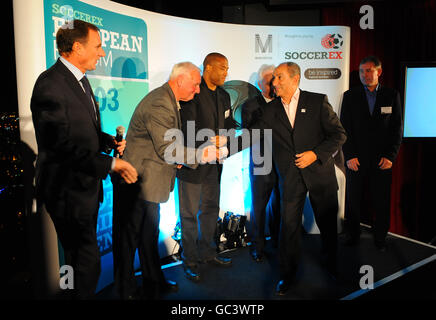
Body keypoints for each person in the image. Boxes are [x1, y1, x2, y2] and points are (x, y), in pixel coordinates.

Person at [30, 19, 138, 299]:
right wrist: (112, 163)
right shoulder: (50, 84)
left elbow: (82, 129)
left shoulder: (80, 79)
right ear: (77, 47)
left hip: (83, 190)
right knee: (85, 263)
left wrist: (107, 141)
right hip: (67, 193)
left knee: (77, 264)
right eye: (98, 46)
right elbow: (59, 146)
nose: (102, 53)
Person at [113, 62, 220, 299]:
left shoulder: (169, 100)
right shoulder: (161, 102)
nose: (198, 90)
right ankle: (125, 291)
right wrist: (200, 154)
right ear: (180, 80)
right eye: (195, 84)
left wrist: (176, 160)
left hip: (147, 182)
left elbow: (160, 146)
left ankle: (154, 283)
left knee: (147, 237)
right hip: (136, 182)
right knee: (128, 241)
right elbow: (167, 148)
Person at [255, 62, 346, 295]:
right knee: (289, 230)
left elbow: (338, 134)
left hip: (319, 175)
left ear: (295, 79)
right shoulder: (269, 110)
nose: (274, 82)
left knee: (327, 226)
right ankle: (287, 275)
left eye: (279, 77)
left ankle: (333, 265)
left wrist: (315, 154)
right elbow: (252, 135)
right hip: (290, 179)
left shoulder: (317, 101)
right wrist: (224, 147)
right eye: (273, 77)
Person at [176, 52, 237, 282]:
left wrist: (227, 137)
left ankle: (208, 253)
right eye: (222, 67)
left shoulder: (224, 95)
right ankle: (189, 261)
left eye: (227, 68)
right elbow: (185, 128)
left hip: (214, 165)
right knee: (189, 215)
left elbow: (231, 125)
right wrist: (212, 139)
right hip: (191, 165)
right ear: (208, 68)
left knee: (210, 209)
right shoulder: (192, 91)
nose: (226, 72)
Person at [340, 55, 403, 251]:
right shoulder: (350, 96)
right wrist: (349, 155)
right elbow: (345, 128)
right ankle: (353, 234)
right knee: (353, 200)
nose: (364, 75)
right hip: (356, 159)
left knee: (382, 200)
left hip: (382, 159)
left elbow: (397, 129)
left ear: (379, 72)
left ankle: (380, 237)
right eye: (361, 71)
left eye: (368, 71)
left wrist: (391, 156)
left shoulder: (392, 95)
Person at [241, 64, 280, 262]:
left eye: (276, 80)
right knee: (259, 207)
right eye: (269, 81)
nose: (274, 85)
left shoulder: (285, 101)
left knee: (281, 206)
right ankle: (258, 246)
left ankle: (277, 241)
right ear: (259, 84)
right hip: (261, 161)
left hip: (283, 163)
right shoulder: (250, 105)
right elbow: (250, 134)